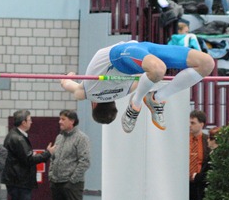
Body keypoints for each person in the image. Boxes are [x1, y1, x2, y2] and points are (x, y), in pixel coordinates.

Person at [60, 41, 215, 132]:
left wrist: (68, 78)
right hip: (128, 53)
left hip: (127, 55)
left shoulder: (125, 90)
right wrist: (68, 75)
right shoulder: (87, 93)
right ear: (93, 105)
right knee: (207, 63)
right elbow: (67, 83)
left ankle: (144, 100)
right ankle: (150, 99)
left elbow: (145, 77)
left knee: (158, 70)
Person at [2, 109, 51, 200]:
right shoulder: (18, 138)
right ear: (23, 122)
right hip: (20, 182)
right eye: (29, 120)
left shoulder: (14, 135)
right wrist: (48, 153)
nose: (31, 122)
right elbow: (29, 159)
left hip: (17, 181)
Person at [48, 109, 91, 200]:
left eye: (63, 119)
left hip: (72, 185)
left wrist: (72, 181)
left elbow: (85, 161)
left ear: (72, 121)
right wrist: (51, 176)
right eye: (59, 119)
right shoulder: (59, 137)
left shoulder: (81, 138)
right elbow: (54, 158)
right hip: (56, 183)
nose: (60, 122)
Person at [189, 110, 211, 200]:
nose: (190, 125)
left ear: (201, 124)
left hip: (200, 185)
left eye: (193, 123)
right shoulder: (182, 139)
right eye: (189, 123)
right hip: (184, 185)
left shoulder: (207, 141)